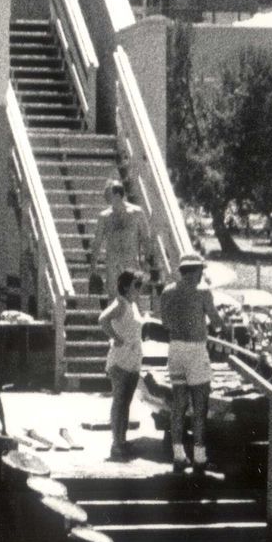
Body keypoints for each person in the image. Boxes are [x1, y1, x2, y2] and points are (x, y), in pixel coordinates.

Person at [159, 255, 217, 470]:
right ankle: (200, 458)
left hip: (175, 349)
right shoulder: (202, 291)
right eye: (201, 270)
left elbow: (165, 322)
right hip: (195, 349)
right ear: (196, 270)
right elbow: (216, 320)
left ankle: (178, 456)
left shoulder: (167, 291)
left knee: (179, 404)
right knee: (200, 405)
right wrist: (219, 325)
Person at [103, 268, 146, 459]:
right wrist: (116, 337)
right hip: (120, 360)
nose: (139, 289)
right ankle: (115, 443)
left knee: (126, 403)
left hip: (133, 359)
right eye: (137, 285)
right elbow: (103, 319)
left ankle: (122, 440)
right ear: (127, 286)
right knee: (119, 401)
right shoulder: (120, 303)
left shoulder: (132, 304)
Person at [91, 177, 155, 300]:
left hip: (131, 261)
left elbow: (146, 238)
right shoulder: (104, 217)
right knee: (113, 297)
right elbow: (97, 243)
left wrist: (147, 262)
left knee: (132, 297)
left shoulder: (137, 213)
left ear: (117, 195)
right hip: (113, 263)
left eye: (108, 193)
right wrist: (93, 267)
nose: (105, 196)